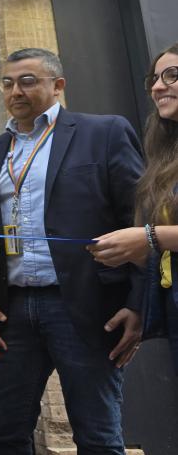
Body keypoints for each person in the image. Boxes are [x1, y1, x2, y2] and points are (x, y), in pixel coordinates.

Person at [0, 48, 144, 454]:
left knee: (97, 435)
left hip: (87, 305)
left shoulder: (105, 132)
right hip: (10, 312)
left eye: (28, 81)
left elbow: (139, 219)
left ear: (58, 86)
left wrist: (139, 302)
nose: (15, 91)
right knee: (4, 432)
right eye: (7, 83)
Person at [92, 43, 178, 373]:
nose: (158, 87)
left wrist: (149, 238)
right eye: (154, 78)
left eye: (172, 75)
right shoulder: (164, 153)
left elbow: (154, 236)